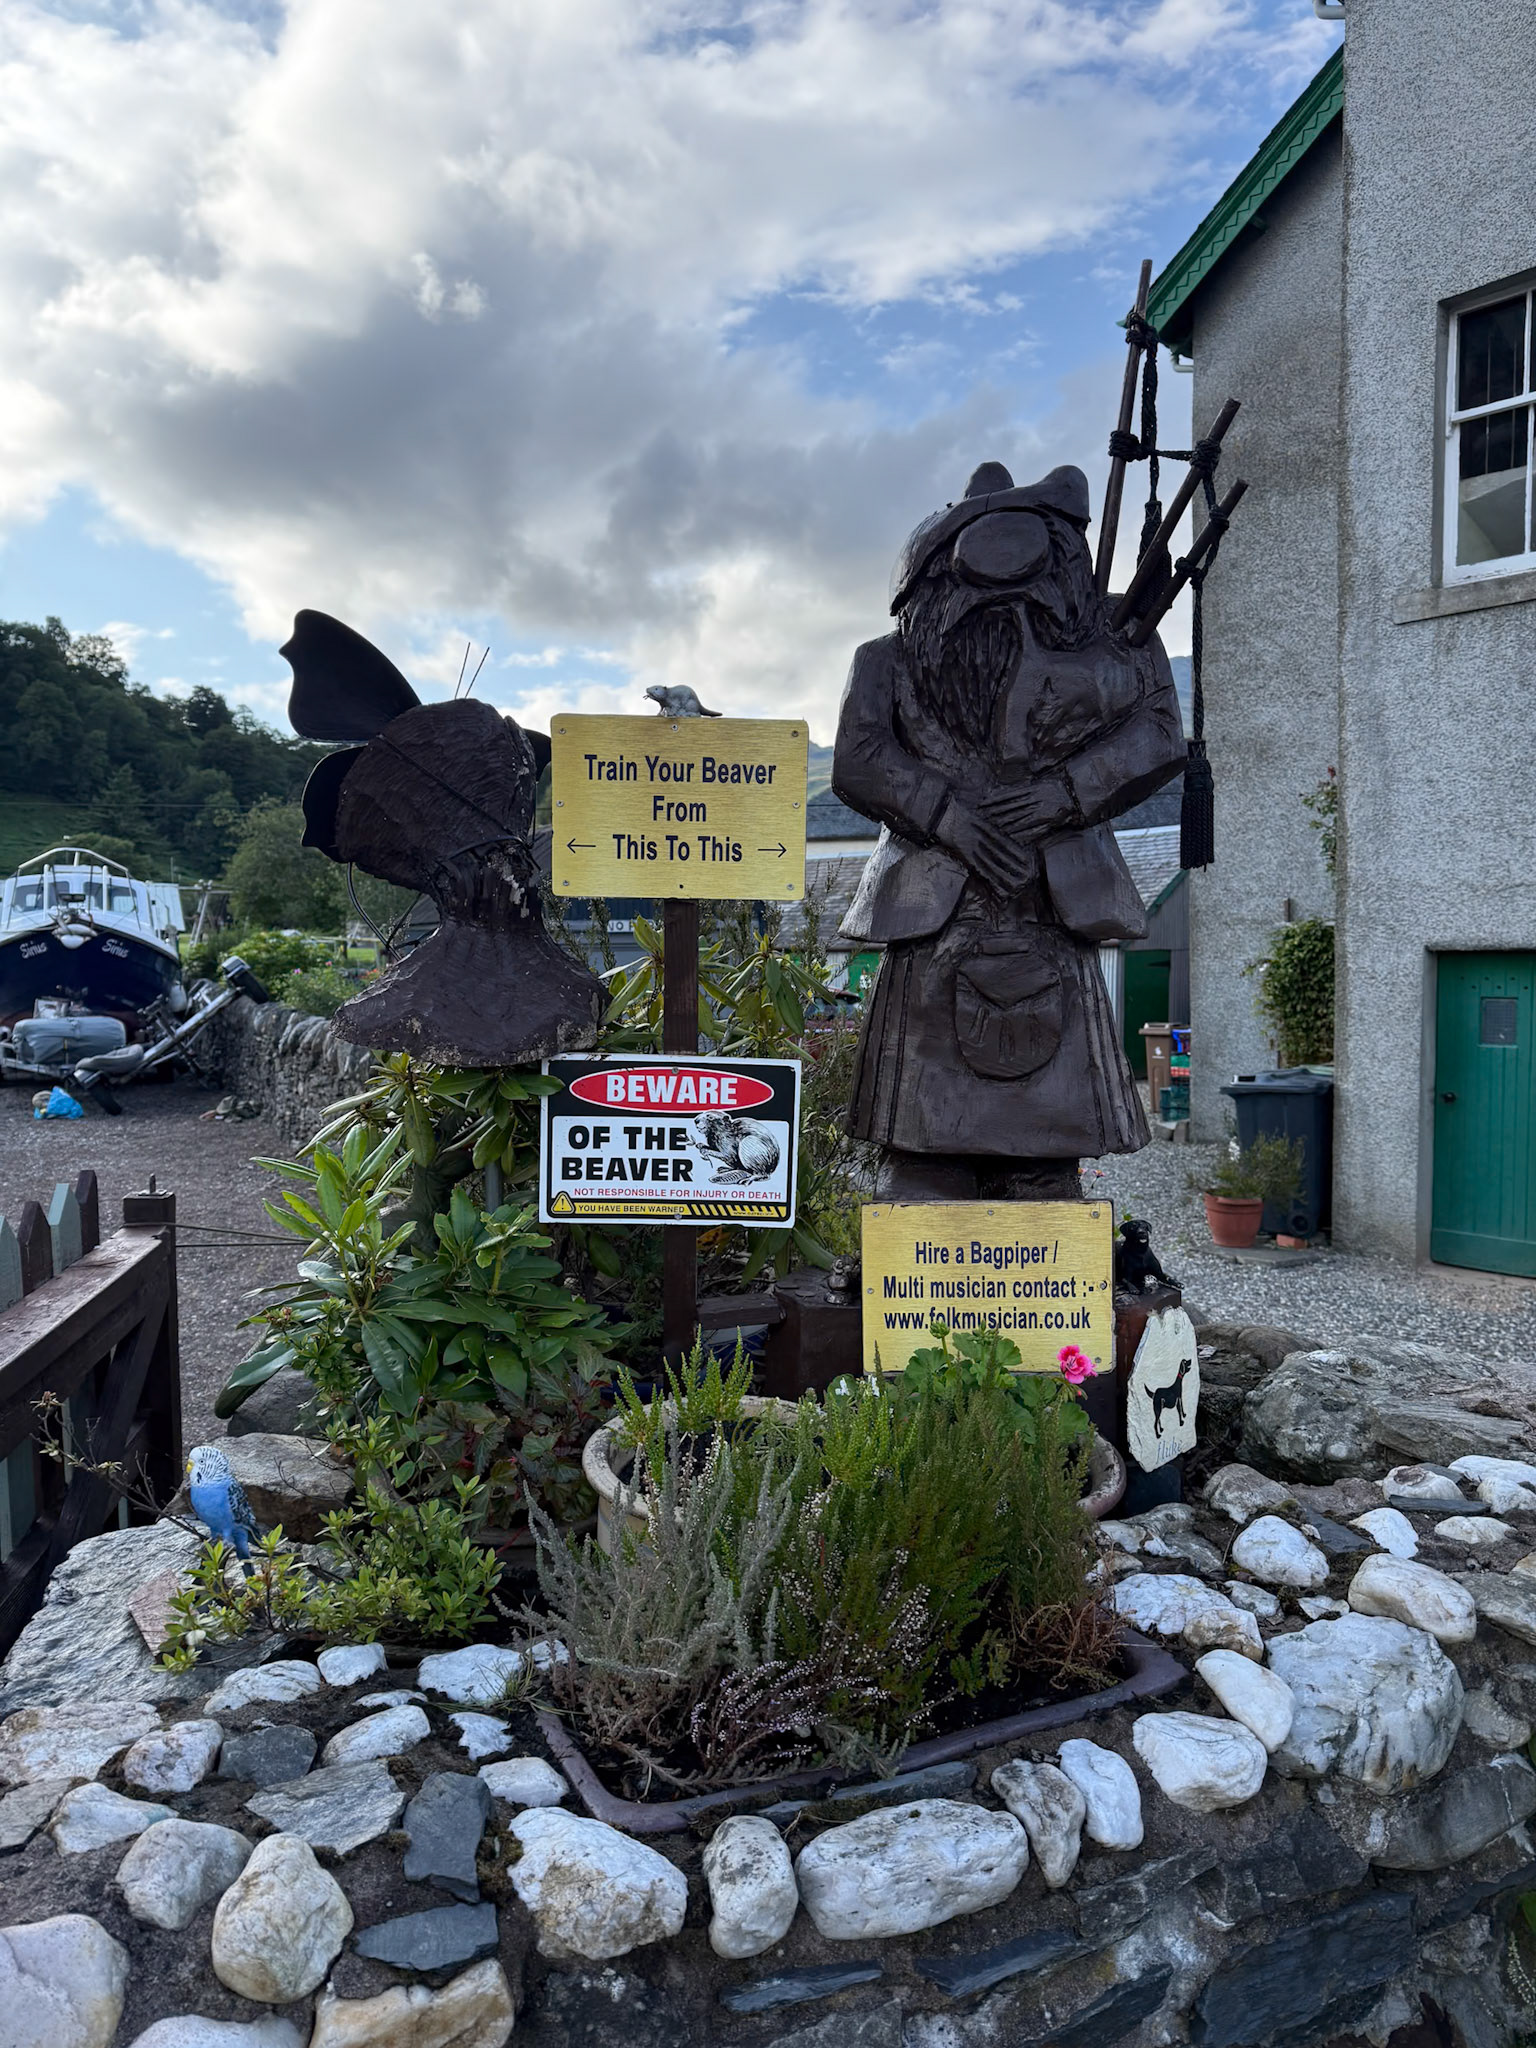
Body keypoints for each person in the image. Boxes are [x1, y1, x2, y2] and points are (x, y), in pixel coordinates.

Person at [833, 461, 1185, 1201]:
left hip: (1056, 903)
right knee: (924, 1133)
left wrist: (1063, 792)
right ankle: (928, 1175)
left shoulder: (1119, 647)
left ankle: (1044, 1176)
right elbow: (861, 760)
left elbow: (1158, 736)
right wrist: (948, 819)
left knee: (1049, 1118)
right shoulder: (885, 662)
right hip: (934, 908)